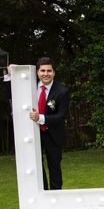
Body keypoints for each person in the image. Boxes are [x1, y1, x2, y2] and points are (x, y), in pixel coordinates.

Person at [24, 57, 70, 190]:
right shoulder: (30, 87)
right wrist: (8, 74)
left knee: (54, 165)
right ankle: (42, 192)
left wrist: (40, 118)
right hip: (34, 133)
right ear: (37, 72)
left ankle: (56, 195)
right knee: (36, 165)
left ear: (54, 72)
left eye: (49, 71)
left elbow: (61, 116)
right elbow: (12, 93)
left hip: (53, 134)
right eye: (42, 70)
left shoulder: (62, 91)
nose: (46, 74)